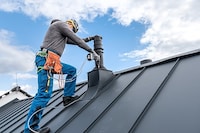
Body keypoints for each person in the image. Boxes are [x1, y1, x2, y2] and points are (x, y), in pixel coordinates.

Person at [24, 19, 99, 133]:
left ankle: (67, 97)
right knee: (43, 94)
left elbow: (76, 40)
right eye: (73, 30)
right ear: (72, 25)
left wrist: (91, 38)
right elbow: (77, 40)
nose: (72, 31)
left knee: (71, 71)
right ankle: (30, 130)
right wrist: (92, 52)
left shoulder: (60, 32)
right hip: (46, 61)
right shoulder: (60, 25)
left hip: (53, 62)